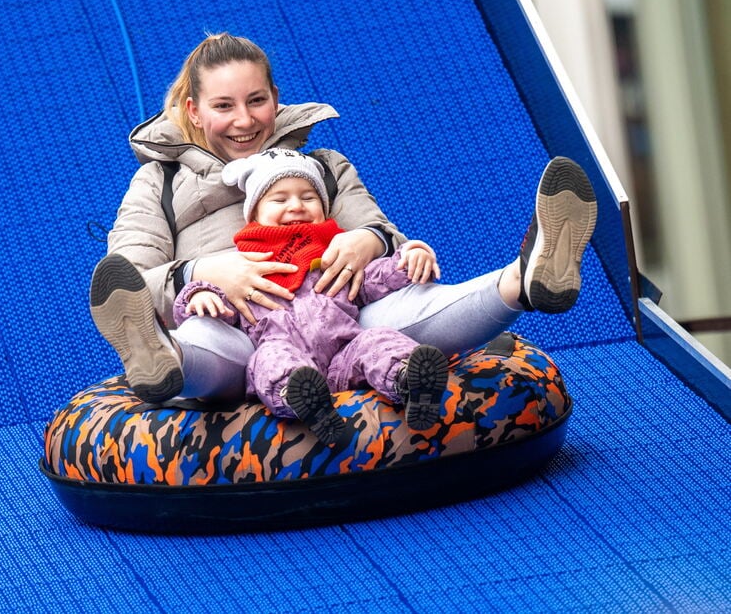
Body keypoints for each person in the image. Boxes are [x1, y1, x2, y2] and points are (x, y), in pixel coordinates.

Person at [89, 32, 597, 432]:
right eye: (223, 106)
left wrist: (369, 240)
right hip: (241, 326)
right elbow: (126, 279)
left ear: (275, 99)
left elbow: (387, 240)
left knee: (406, 307)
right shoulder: (160, 183)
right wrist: (206, 271)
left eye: (257, 100)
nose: (244, 120)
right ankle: (167, 363)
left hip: (340, 313)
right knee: (208, 338)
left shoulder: (322, 168)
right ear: (195, 111)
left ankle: (525, 280)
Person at [170, 148, 449, 443]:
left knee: (377, 339)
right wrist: (199, 295)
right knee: (269, 359)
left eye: (308, 197)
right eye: (279, 199)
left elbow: (371, 280)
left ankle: (411, 381)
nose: (296, 206)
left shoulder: (335, 257)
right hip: (283, 349)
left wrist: (407, 260)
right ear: (254, 213)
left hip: (345, 351)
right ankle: (305, 401)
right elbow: (223, 304)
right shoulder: (243, 267)